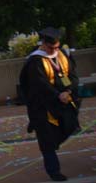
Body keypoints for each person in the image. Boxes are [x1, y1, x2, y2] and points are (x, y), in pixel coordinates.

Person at [20, 27, 80, 182]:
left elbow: (72, 76)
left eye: (57, 47)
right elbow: (40, 84)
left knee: (70, 125)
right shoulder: (35, 60)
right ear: (43, 44)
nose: (54, 50)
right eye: (51, 47)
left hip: (64, 101)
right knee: (46, 141)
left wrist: (68, 91)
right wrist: (58, 94)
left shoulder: (63, 55)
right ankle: (54, 172)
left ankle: (52, 140)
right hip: (43, 106)